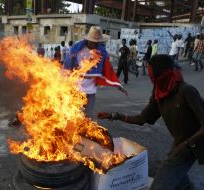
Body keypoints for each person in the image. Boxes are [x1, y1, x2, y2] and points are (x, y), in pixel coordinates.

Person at [97, 54, 204, 190]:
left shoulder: (186, 91)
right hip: (181, 142)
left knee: (161, 182)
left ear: (165, 74)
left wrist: (186, 144)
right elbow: (142, 119)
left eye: (154, 77)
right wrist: (115, 115)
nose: (152, 80)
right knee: (174, 171)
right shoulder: (159, 93)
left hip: (195, 143)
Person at [63, 26, 127, 118]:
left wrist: (118, 86)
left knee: (88, 115)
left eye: (98, 42)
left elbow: (108, 70)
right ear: (89, 40)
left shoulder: (101, 52)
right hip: (77, 87)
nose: (96, 44)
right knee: (75, 114)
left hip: (91, 89)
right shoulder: (76, 50)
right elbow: (67, 65)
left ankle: (85, 131)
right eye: (94, 42)